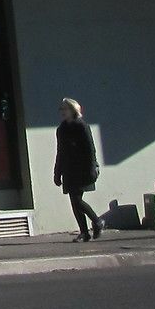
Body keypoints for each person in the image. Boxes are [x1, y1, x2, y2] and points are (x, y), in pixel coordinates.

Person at [54, 97, 102, 240]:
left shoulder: (81, 126)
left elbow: (90, 148)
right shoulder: (61, 129)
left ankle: (97, 221)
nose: (62, 112)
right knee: (74, 201)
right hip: (69, 169)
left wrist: (92, 167)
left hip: (82, 168)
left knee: (77, 200)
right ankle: (85, 232)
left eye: (65, 109)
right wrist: (57, 172)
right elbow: (60, 152)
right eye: (61, 109)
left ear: (73, 109)